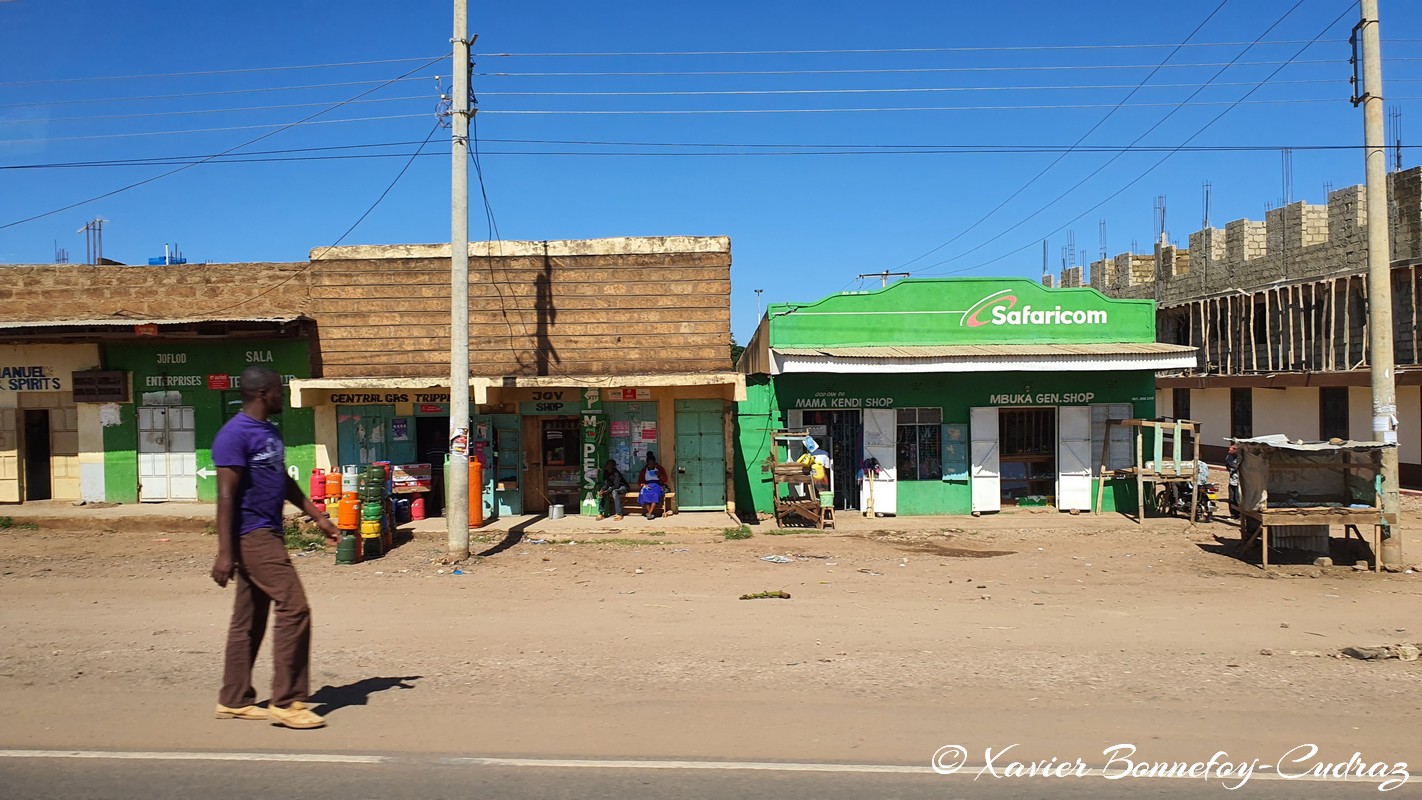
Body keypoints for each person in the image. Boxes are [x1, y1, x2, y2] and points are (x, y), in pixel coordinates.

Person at [211, 366, 339, 730]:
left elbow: (282, 481)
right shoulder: (233, 435)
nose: (283, 395)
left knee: (248, 621)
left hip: (268, 531)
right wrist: (225, 552)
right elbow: (225, 496)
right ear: (264, 393)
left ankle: (233, 699)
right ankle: (288, 701)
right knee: (295, 608)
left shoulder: (267, 431)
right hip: (252, 535)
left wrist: (319, 517)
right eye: (280, 390)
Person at [637, 451, 669, 518]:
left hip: (657, 485)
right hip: (647, 485)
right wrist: (643, 485)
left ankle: (649, 513)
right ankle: (650, 513)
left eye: (652, 464)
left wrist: (659, 475)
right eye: (649, 464)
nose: (651, 465)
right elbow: (640, 481)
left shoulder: (659, 469)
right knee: (643, 494)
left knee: (655, 494)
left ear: (655, 463)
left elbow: (665, 479)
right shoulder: (644, 470)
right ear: (647, 464)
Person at [1224, 443, 1241, 519]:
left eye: (1233, 449)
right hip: (1232, 481)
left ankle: (1241, 516)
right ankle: (1233, 515)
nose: (1230, 450)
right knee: (1231, 499)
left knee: (1238, 499)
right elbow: (1228, 466)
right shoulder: (1229, 457)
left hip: (1240, 483)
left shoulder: (1241, 458)